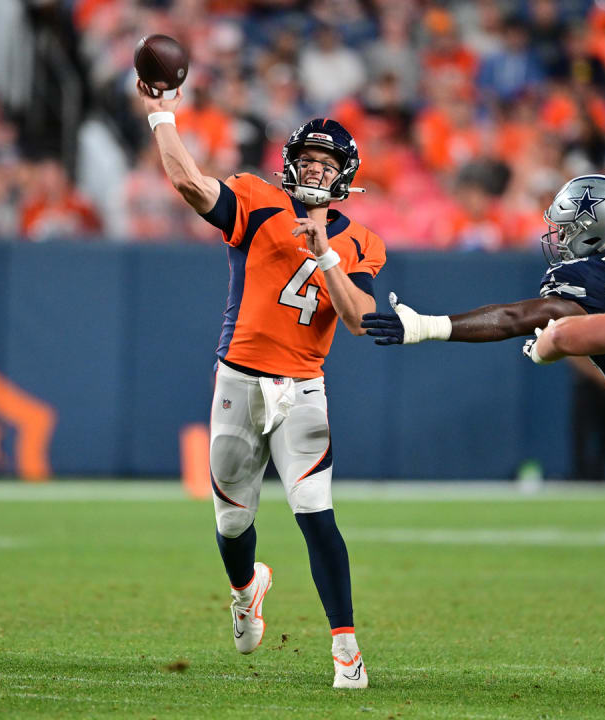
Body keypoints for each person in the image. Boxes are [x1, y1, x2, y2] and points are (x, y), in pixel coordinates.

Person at [138, 81, 387, 689]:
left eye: (327, 165)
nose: (314, 171)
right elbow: (192, 185)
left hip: (303, 389)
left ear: (345, 175)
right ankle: (246, 589)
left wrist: (326, 252)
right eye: (306, 161)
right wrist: (161, 115)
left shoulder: (362, 241)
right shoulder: (257, 198)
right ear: (288, 164)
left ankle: (346, 650)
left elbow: (357, 320)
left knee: (316, 513)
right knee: (230, 522)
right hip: (238, 380)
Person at [363, 173, 605, 411]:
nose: (561, 239)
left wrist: (430, 326)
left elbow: (530, 320)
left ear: (601, 232)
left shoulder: (594, 276)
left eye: (569, 230)